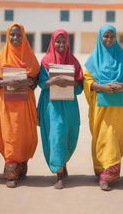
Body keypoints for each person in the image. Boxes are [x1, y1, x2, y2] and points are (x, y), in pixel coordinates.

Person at [83, 25, 123, 191]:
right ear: (100, 37)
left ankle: (108, 174)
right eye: (105, 36)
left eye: (111, 36)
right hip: (100, 108)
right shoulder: (94, 59)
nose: (108, 39)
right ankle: (102, 171)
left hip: (119, 110)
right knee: (101, 138)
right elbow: (87, 81)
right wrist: (102, 87)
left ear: (116, 38)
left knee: (114, 137)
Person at [0, 23, 39, 188]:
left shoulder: (29, 56)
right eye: (12, 34)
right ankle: (11, 170)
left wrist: (28, 81)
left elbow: (36, 80)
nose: (15, 38)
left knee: (23, 136)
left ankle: (21, 166)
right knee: (10, 136)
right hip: (7, 106)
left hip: (24, 105)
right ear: (7, 35)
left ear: (23, 36)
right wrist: (6, 81)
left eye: (19, 35)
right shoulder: (1, 57)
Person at [37, 30, 83, 189]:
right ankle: (59, 174)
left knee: (69, 135)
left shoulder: (74, 62)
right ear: (52, 42)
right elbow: (41, 83)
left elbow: (80, 86)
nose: (61, 45)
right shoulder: (45, 61)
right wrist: (54, 80)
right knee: (56, 136)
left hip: (69, 105)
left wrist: (71, 82)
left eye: (64, 42)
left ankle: (63, 163)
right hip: (52, 106)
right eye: (58, 41)